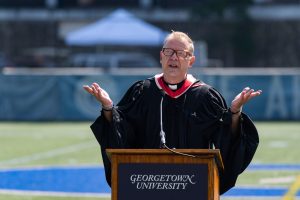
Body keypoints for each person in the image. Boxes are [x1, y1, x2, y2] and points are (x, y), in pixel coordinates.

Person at [83, 31, 262, 194]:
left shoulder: (205, 97)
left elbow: (227, 140)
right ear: (161, 56)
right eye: (168, 51)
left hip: (193, 185)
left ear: (191, 60)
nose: (173, 57)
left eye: (181, 53)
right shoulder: (143, 92)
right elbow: (119, 131)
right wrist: (108, 108)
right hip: (148, 185)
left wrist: (234, 112)